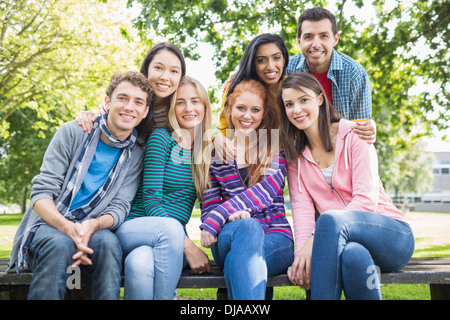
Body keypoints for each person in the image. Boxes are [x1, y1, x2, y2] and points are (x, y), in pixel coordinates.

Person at [8, 71, 153, 300]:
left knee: (108, 243)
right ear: (107, 102)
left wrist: (91, 226)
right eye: (122, 98)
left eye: (138, 102)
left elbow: (119, 207)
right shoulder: (72, 132)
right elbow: (42, 194)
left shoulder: (136, 155)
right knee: (59, 244)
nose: (129, 107)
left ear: (145, 112)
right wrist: (69, 228)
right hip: (50, 224)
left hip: (92, 229)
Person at [277, 72, 414, 300]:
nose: (296, 110)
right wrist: (301, 256)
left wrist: (315, 241)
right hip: (347, 242)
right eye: (289, 104)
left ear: (320, 99)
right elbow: (302, 214)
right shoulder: (296, 159)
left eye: (303, 100)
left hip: (392, 235)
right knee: (353, 255)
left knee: (329, 219)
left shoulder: (356, 135)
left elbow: (365, 201)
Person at [114, 76, 212, 300]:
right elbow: (151, 201)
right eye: (180, 102)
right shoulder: (162, 139)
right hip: (135, 227)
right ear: (172, 108)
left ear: (205, 107)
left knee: (140, 264)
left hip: (168, 240)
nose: (188, 108)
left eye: (195, 101)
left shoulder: (206, 150)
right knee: (168, 232)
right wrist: (187, 244)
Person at [200, 80, 294, 300]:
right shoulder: (216, 153)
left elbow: (266, 192)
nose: (247, 116)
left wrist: (218, 216)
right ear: (229, 110)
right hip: (229, 235)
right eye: (241, 108)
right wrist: (230, 219)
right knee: (247, 228)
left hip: (275, 234)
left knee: (240, 259)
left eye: (255, 110)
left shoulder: (275, 149)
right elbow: (209, 203)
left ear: (264, 113)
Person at [287, 7, 375, 142]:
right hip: (297, 150)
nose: (316, 44)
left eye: (324, 36)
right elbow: (268, 116)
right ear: (299, 41)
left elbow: (361, 134)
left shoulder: (355, 74)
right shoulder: (287, 69)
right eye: (308, 37)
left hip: (339, 150)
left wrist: (369, 127)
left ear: (335, 39)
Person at [76, 42, 186, 135]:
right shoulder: (127, 96)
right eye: (158, 68)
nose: (165, 77)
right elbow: (99, 124)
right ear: (147, 69)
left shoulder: (182, 109)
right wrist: (87, 117)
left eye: (174, 71)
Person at [215, 33, 290, 159]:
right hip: (241, 158)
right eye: (261, 60)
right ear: (253, 64)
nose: (271, 66)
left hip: (280, 158)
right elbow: (225, 130)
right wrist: (219, 138)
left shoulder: (291, 88)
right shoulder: (237, 88)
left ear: (284, 60)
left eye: (276, 58)